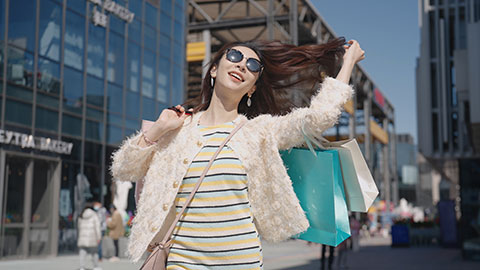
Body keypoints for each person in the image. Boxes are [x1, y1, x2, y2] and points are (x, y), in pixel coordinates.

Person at [111, 38, 365, 269]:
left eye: (253, 65)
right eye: (234, 57)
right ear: (213, 69)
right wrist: (158, 129)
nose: (242, 65)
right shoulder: (179, 129)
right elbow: (123, 169)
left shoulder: (259, 132)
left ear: (253, 87)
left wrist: (348, 63)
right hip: (182, 262)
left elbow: (318, 118)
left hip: (241, 262)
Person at [77, 203, 102, 270]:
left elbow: (79, 227)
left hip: (83, 237)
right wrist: (99, 237)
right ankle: (96, 266)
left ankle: (82, 267)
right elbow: (97, 227)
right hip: (92, 237)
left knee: (82, 252)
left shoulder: (81, 215)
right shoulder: (94, 215)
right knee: (94, 253)